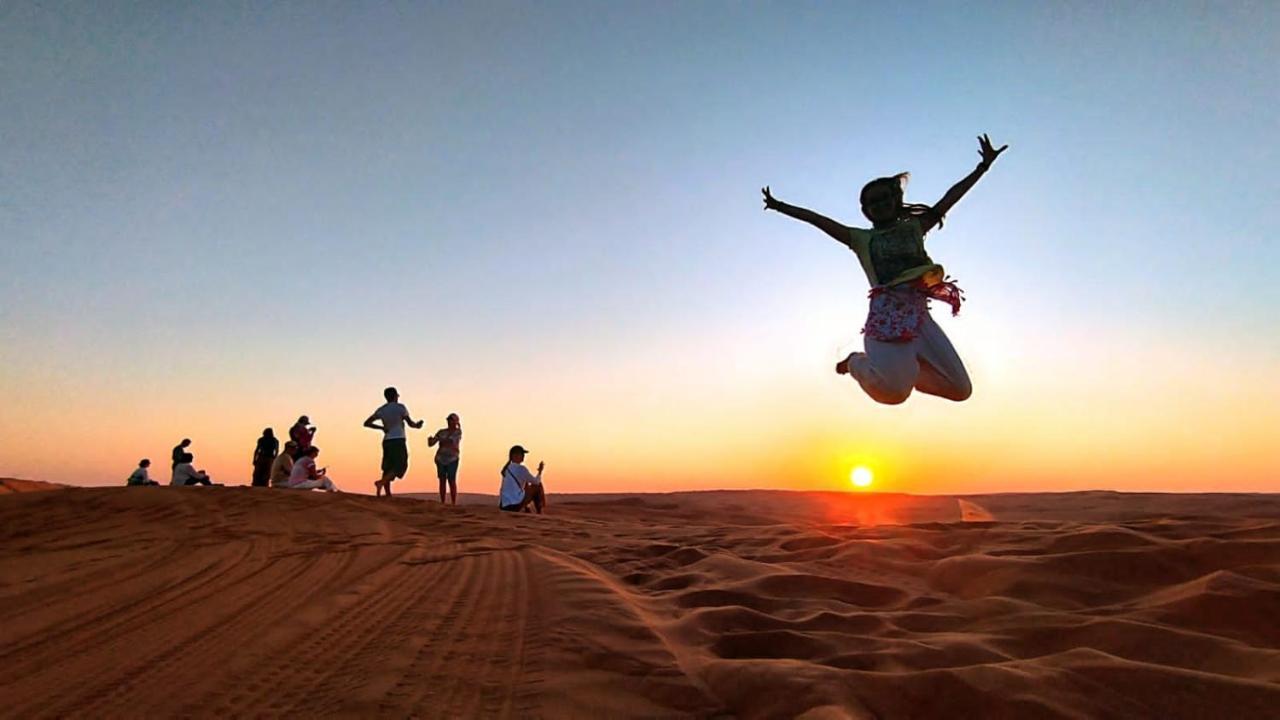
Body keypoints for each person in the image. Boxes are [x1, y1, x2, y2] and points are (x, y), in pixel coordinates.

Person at [761, 134, 1008, 405]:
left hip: (920, 317)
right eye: (871, 203)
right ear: (865, 210)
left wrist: (982, 167)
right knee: (893, 394)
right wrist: (780, 206)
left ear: (896, 200)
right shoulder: (861, 239)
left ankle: (908, 370)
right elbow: (819, 220)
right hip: (887, 319)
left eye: (884, 199)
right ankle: (856, 362)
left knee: (960, 390)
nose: (879, 206)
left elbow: (950, 198)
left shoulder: (915, 228)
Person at [363, 387, 424, 497]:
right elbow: (410, 423)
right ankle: (381, 482)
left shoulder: (382, 409)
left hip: (387, 440)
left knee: (388, 466)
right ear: (395, 396)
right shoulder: (400, 408)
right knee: (400, 465)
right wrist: (417, 425)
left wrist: (381, 428)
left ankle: (387, 493)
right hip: (398, 439)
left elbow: (367, 423)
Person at [498, 445, 545, 514]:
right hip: (515, 505)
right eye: (522, 454)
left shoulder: (506, 469)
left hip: (504, 506)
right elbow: (536, 482)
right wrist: (540, 471)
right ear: (515, 455)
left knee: (525, 484)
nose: (523, 456)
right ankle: (539, 512)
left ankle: (527, 508)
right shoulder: (521, 469)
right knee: (538, 486)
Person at [427, 413, 462, 505]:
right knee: (442, 480)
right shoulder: (441, 432)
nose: (450, 422)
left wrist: (440, 440)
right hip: (440, 458)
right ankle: (442, 502)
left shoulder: (457, 432)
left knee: (451, 479)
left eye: (452, 420)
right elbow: (431, 443)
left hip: (452, 459)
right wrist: (431, 440)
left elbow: (451, 442)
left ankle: (453, 502)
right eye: (449, 420)